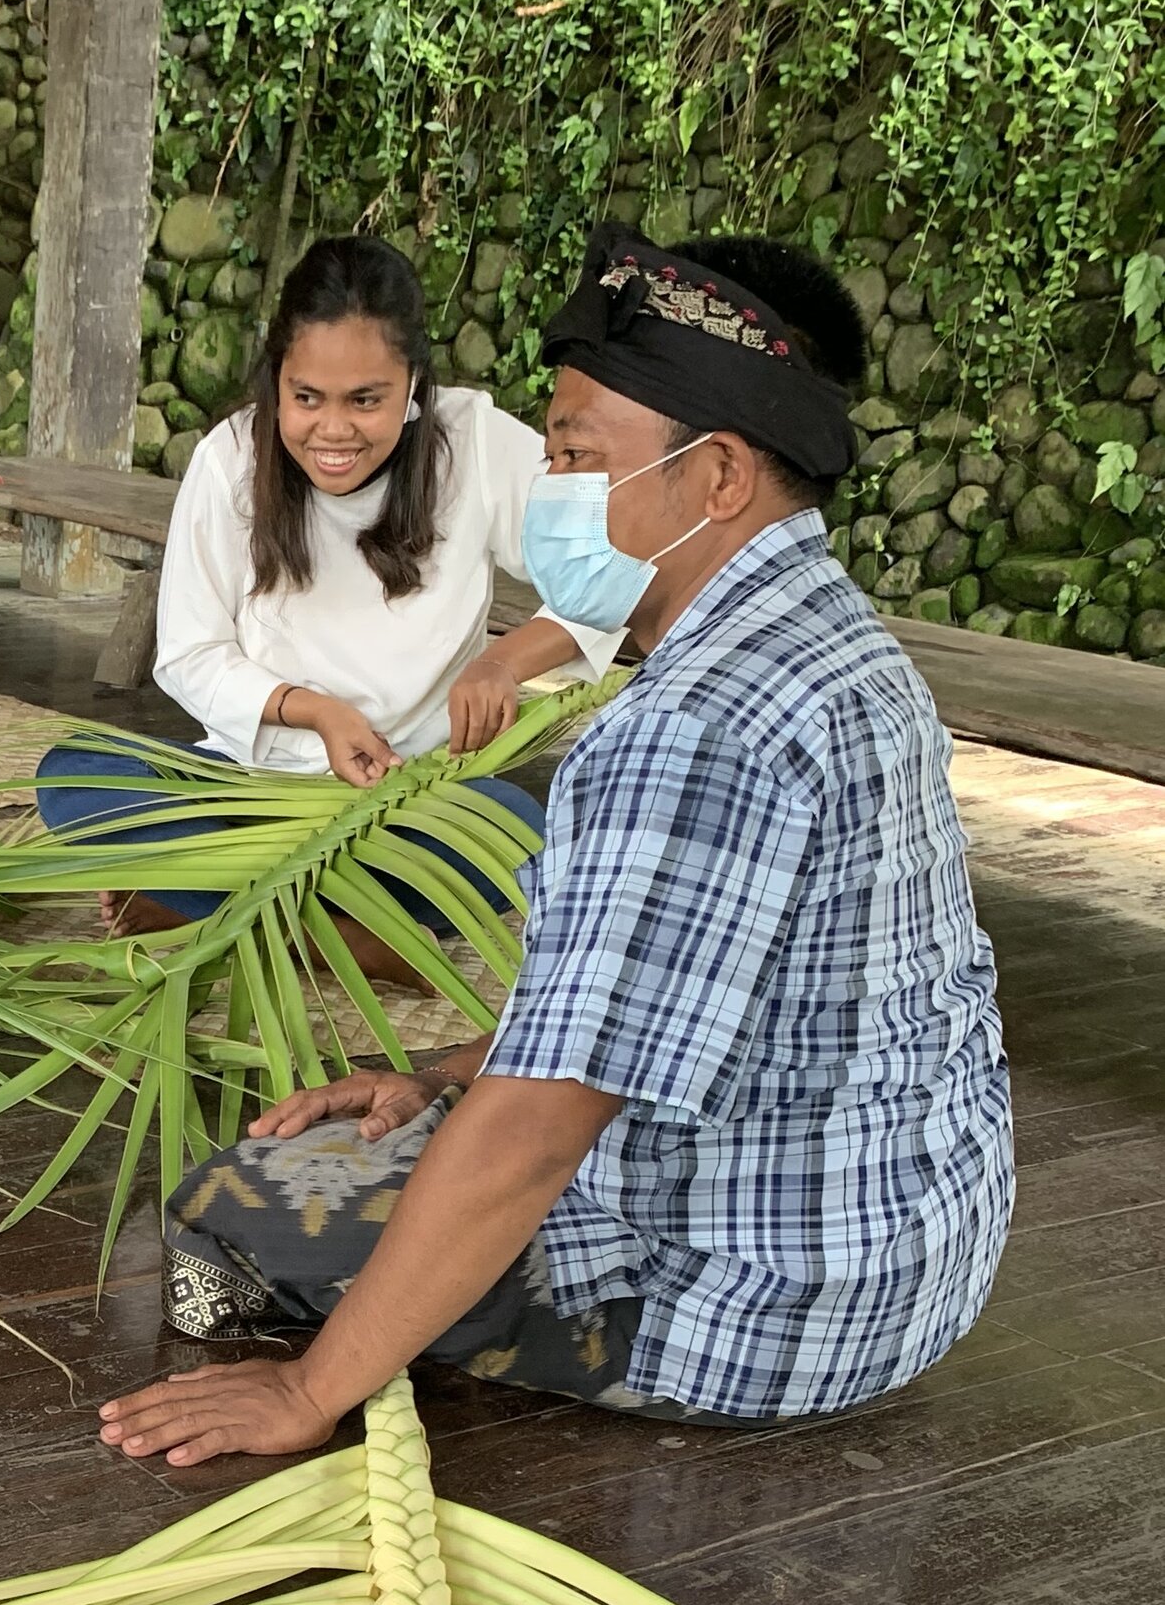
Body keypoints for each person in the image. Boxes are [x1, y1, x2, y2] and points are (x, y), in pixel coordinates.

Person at [100, 225, 1012, 1459]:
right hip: (906, 1263)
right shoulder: (844, 645)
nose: (556, 492)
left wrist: (309, 1393)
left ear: (720, 476)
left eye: (579, 455)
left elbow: (537, 1130)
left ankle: (379, 1347)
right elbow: (682, 994)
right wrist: (442, 1076)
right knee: (416, 1117)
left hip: (745, 1315)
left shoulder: (687, 726)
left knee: (230, 1204)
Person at [35, 235, 624, 943]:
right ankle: (347, 936)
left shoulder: (473, 443)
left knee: (520, 832)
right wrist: (315, 713)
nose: (333, 430)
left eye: (366, 400)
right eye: (306, 397)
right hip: (247, 790)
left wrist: (505, 662)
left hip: (406, 800)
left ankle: (218, 911)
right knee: (75, 771)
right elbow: (190, 654)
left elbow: (610, 571)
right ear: (277, 377)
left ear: (412, 386)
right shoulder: (231, 460)